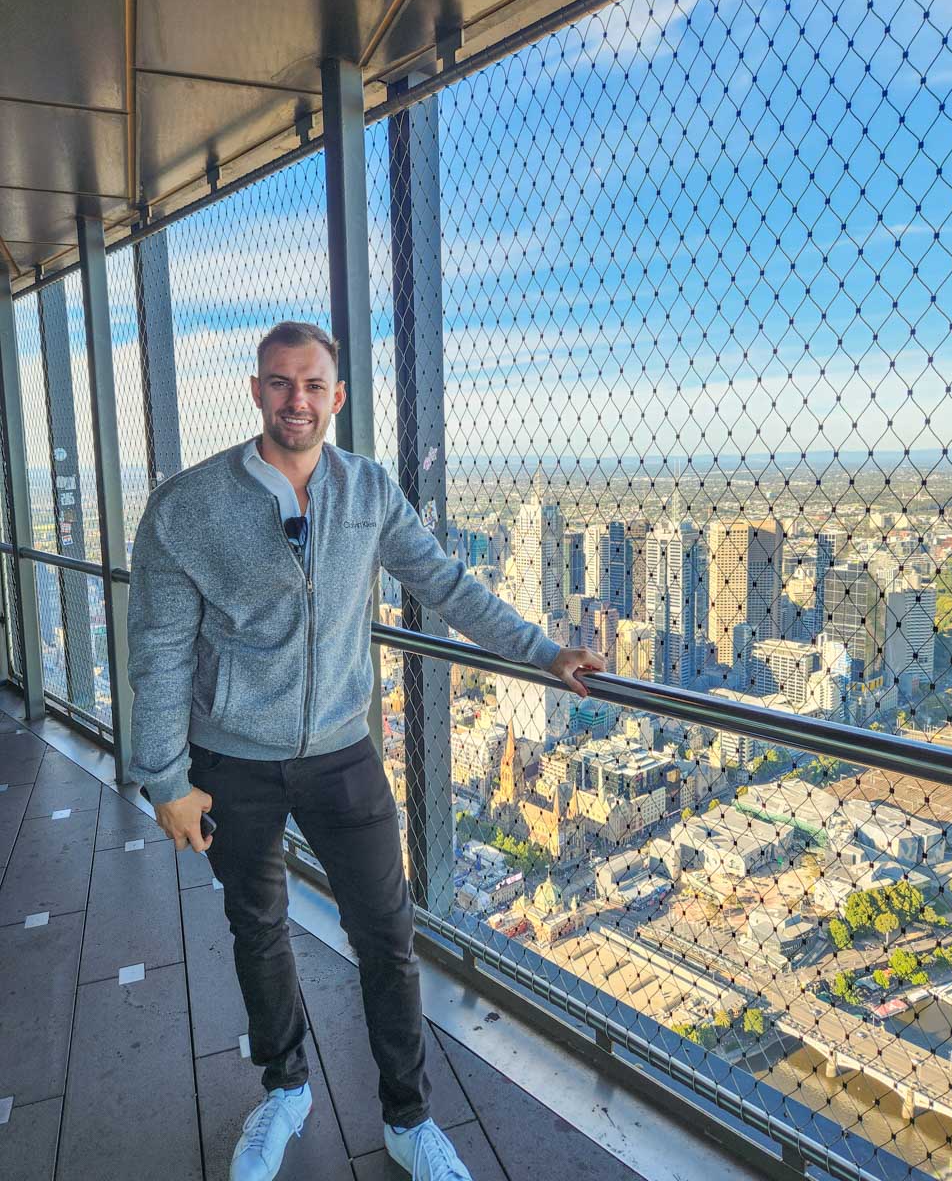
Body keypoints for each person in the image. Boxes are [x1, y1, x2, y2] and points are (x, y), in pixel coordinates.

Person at [126, 320, 605, 1181]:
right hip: (230, 760)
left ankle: (407, 1118)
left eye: (313, 385)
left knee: (387, 935)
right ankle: (285, 1090)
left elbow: (445, 584)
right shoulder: (189, 507)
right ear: (256, 390)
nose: (296, 400)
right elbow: (158, 645)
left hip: (344, 751)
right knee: (257, 925)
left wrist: (543, 652)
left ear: (338, 397)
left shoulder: (367, 490)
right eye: (280, 383)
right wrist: (164, 777)